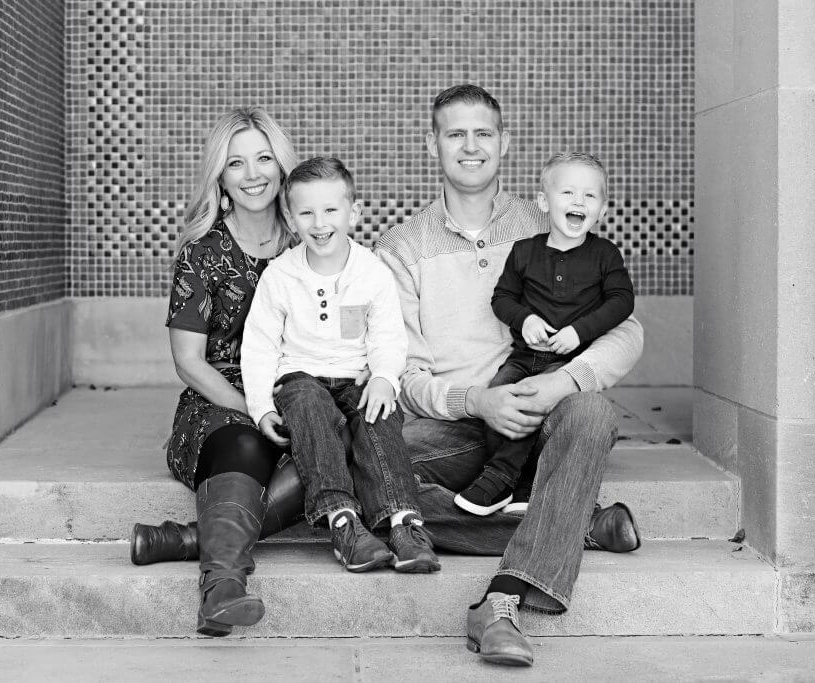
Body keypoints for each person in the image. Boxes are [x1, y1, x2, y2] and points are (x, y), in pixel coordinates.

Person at [374, 84, 644, 667]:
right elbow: (401, 373)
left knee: (594, 411)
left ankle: (500, 600)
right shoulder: (400, 247)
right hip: (457, 426)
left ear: (504, 143)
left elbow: (627, 329)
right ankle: (573, 521)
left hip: (546, 409)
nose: (470, 147)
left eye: (484, 133)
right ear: (432, 145)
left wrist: (560, 383)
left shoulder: (549, 222)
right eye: (455, 134)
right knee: (371, 472)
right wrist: (477, 401)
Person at [139, 105, 303, 638]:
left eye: (263, 159)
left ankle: (189, 538)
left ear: (281, 168)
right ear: (221, 176)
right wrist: (254, 409)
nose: (253, 174)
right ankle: (222, 587)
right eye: (237, 163)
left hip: (300, 397)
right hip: (220, 402)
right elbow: (189, 361)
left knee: (337, 447)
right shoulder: (202, 254)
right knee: (250, 446)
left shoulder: (311, 240)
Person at [241, 157, 440, 574]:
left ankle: (404, 524)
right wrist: (261, 407)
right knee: (311, 407)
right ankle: (343, 523)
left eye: (331, 210)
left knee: (379, 416)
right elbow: (259, 345)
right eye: (306, 212)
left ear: (354, 212)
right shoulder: (280, 276)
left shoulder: (372, 272)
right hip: (300, 378)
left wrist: (385, 378)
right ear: (291, 219)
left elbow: (388, 335)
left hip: (358, 377)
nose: (319, 222)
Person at [453, 151, 635, 516]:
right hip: (524, 356)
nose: (578, 202)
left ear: (602, 210)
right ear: (543, 202)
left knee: (533, 398)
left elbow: (622, 301)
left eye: (590, 196)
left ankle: (499, 477)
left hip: (567, 361)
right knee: (501, 395)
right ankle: (520, 487)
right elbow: (502, 298)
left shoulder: (605, 254)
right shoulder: (524, 252)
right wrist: (525, 320)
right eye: (568, 193)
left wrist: (578, 331)